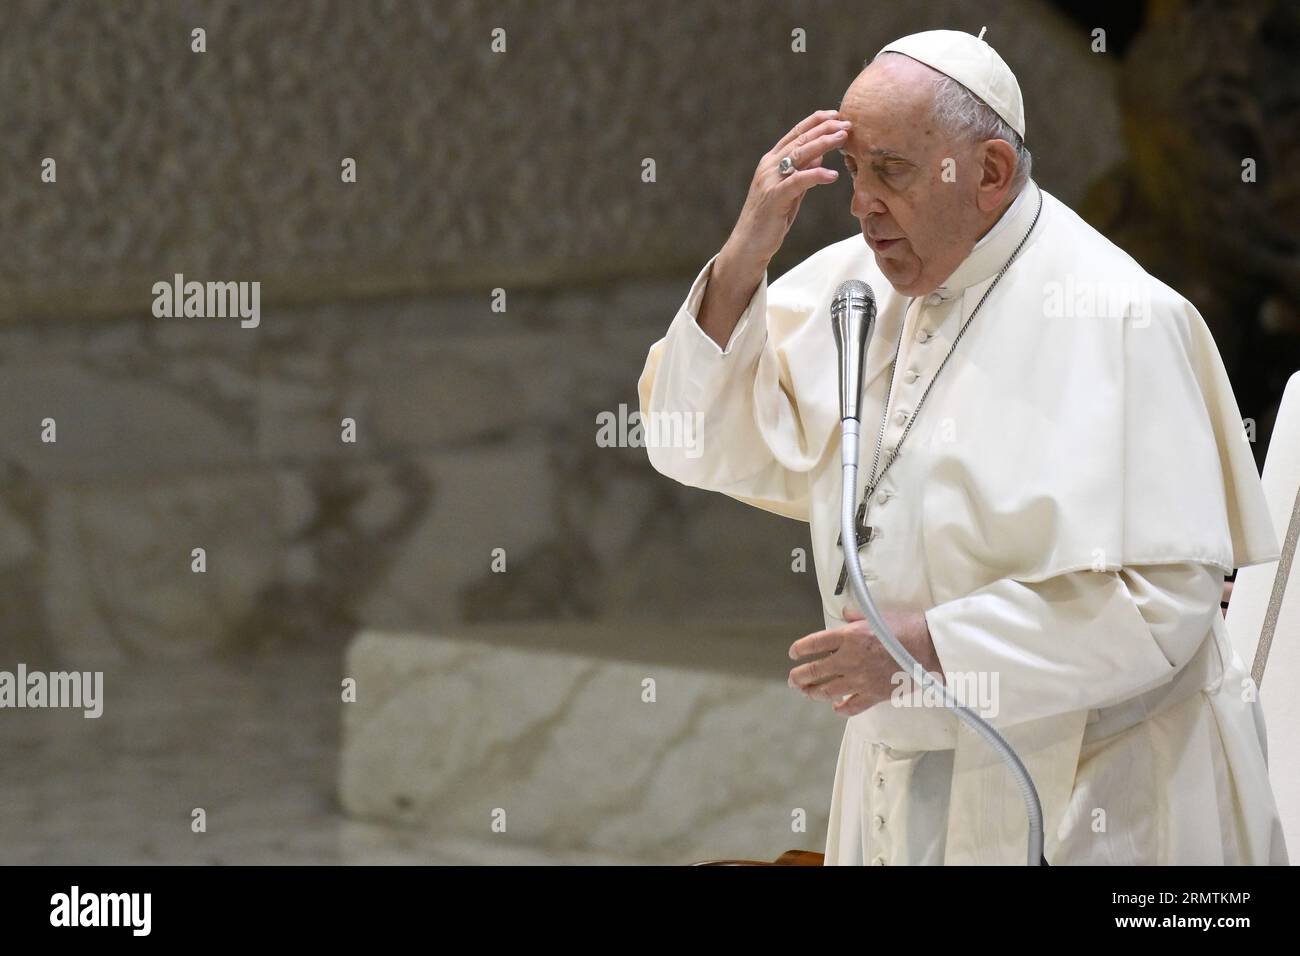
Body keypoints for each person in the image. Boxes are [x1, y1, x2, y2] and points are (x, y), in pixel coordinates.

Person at [636, 29, 1288, 865]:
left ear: (987, 173)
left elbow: (1164, 604)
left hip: (1094, 792)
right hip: (896, 782)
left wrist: (932, 650)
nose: (861, 202)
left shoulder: (1124, 318)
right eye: (857, 169)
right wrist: (743, 258)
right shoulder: (855, 286)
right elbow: (688, 442)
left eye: (891, 171)